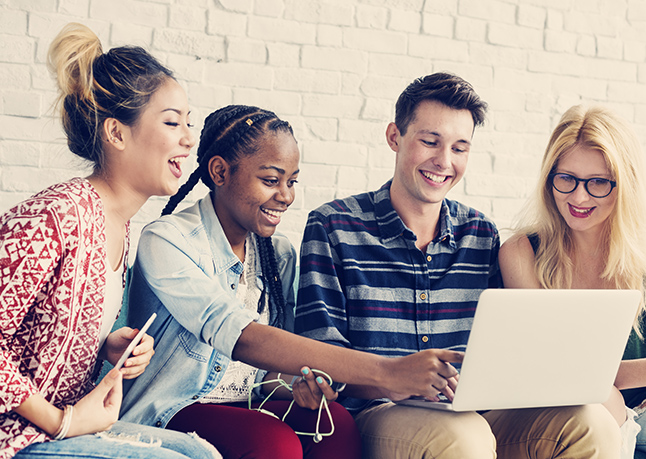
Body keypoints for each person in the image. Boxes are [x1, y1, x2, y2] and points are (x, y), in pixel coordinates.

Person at [295, 72, 622, 458]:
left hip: (476, 414)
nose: (443, 161)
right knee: (462, 436)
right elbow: (321, 355)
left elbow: (508, 351)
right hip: (379, 411)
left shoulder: (480, 233)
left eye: (459, 148)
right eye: (430, 142)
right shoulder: (333, 225)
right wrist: (393, 378)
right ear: (394, 137)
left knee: (592, 424)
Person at [119, 104, 464, 459]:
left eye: (291, 181)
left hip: (247, 403)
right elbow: (240, 336)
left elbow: (264, 375)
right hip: (171, 409)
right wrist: (386, 372)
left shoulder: (277, 254)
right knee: (272, 442)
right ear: (220, 171)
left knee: (337, 424)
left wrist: (300, 385)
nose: (285, 196)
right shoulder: (167, 240)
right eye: (271, 180)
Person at [0, 23, 219, 459]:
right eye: (172, 122)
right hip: (19, 434)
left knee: (203, 455)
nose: (189, 138)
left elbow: (46, 329)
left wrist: (107, 345)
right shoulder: (57, 215)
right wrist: (59, 420)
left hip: (60, 426)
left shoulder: (119, 227)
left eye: (188, 123)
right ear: (117, 134)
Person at [498, 105, 646, 459]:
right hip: (570, 412)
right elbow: (557, 373)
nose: (579, 197)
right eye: (566, 178)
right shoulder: (522, 252)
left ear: (624, 184)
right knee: (601, 397)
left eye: (598, 182)